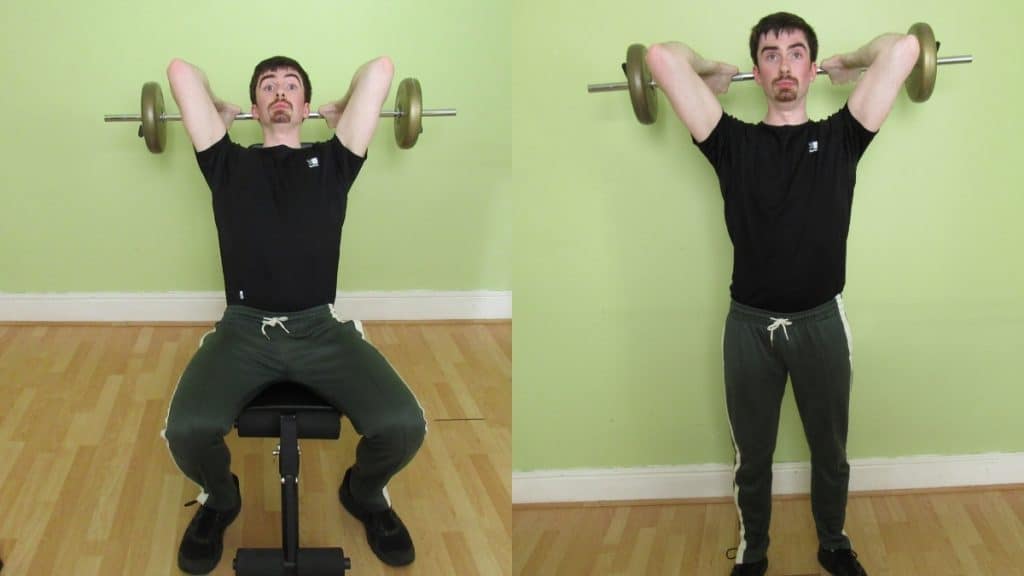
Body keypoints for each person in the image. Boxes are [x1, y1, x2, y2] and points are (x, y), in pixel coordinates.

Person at [645, 12, 921, 576]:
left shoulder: (843, 137)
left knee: (830, 450)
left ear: (812, 68)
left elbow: (905, 49)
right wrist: (710, 72)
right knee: (753, 457)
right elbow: (661, 59)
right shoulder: (731, 143)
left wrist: (855, 61)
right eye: (770, 55)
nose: (784, 64)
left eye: (797, 52)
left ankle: (834, 543)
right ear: (758, 71)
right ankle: (755, 551)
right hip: (749, 327)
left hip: (822, 322)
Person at [161, 55, 427, 574]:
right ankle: (220, 498)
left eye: (290, 87)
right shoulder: (225, 162)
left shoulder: (335, 161)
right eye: (267, 86)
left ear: (304, 107)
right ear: (257, 108)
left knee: (403, 425)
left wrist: (345, 108)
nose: (279, 92)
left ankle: (366, 493)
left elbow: (381, 69)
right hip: (243, 329)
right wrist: (218, 108)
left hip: (318, 327)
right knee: (187, 430)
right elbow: (180, 72)